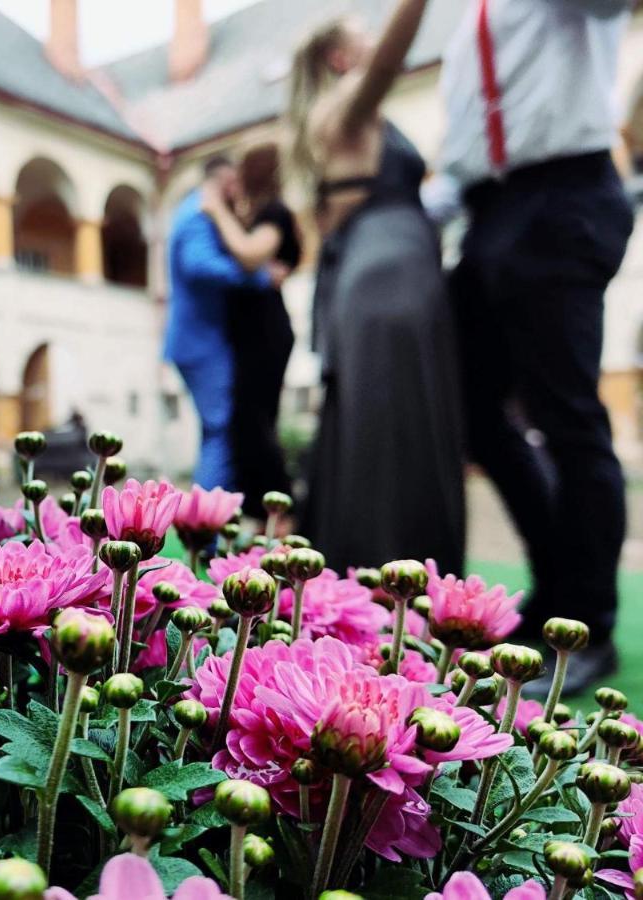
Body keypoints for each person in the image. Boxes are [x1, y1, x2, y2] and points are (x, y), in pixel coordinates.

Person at [440, 0, 635, 691]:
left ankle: (588, 623)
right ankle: (553, 587)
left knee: (568, 419)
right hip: (490, 209)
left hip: (564, 193)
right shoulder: (469, 22)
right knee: (473, 413)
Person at [286, 3, 465, 575]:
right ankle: (398, 574)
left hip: (379, 268)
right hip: (392, 270)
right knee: (398, 425)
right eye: (361, 39)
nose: (372, 45)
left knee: (374, 423)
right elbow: (392, 57)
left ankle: (374, 574)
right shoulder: (345, 104)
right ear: (340, 57)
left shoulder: (332, 121)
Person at [201, 143, 302, 521]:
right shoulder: (256, 215)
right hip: (252, 337)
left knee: (255, 425)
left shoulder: (274, 214)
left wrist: (215, 210)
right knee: (250, 426)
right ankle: (266, 516)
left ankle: (280, 516)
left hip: (265, 335)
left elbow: (248, 253)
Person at [164, 158, 277, 491]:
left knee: (215, 429)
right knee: (221, 430)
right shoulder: (198, 214)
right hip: (201, 342)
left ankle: (208, 525)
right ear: (225, 180)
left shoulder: (192, 212)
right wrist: (259, 276)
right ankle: (207, 530)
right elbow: (198, 266)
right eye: (234, 182)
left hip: (198, 340)